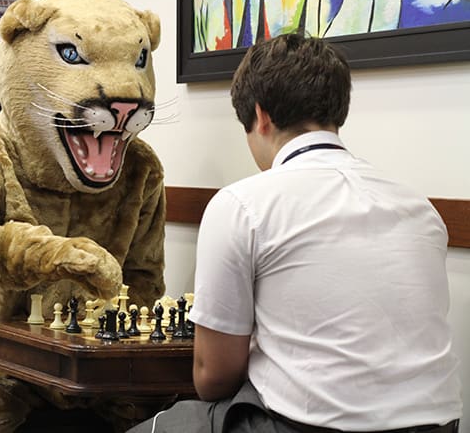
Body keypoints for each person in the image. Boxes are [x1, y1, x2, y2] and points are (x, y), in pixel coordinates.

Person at [128, 33, 461, 433]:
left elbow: (213, 378)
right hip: (439, 425)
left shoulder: (242, 204)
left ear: (261, 116)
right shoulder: (420, 208)